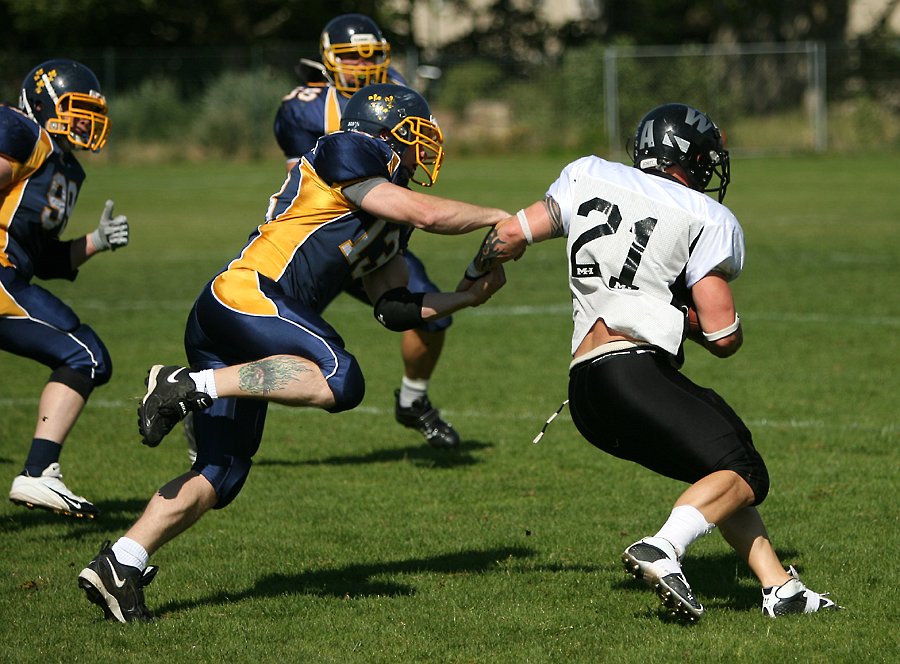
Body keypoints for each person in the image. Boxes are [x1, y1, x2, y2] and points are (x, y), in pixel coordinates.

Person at [77, 83, 508, 622]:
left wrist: (466, 298)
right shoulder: (348, 149)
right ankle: (187, 385)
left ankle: (122, 562)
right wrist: (502, 218)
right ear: (388, 131)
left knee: (220, 473)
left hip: (243, 323)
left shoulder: (389, 215)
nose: (424, 149)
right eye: (417, 134)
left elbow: (393, 307)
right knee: (341, 379)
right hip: (248, 295)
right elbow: (425, 213)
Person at [460, 103, 838, 621]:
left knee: (719, 470)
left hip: (585, 392)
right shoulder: (706, 216)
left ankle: (781, 589)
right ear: (691, 158)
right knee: (745, 469)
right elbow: (723, 335)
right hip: (633, 371)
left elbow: (507, 235)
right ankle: (664, 548)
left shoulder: (588, 174)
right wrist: (679, 313)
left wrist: (472, 278)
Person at [273, 13, 461, 449]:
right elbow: (304, 183)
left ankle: (413, 400)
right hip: (319, 241)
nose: (363, 64)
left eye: (371, 54)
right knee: (276, 341)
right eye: (352, 56)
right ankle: (210, 398)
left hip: (377, 236)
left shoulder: (395, 88)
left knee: (431, 315)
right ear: (328, 58)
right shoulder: (304, 106)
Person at [2, 59, 129, 519]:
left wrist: (96, 241)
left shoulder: (61, 166)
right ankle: (38, 473)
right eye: (77, 109)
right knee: (85, 354)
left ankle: (39, 472)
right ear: (42, 104)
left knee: (86, 356)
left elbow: (44, 259)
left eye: (91, 113)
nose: (86, 121)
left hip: (12, 274)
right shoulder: (23, 132)